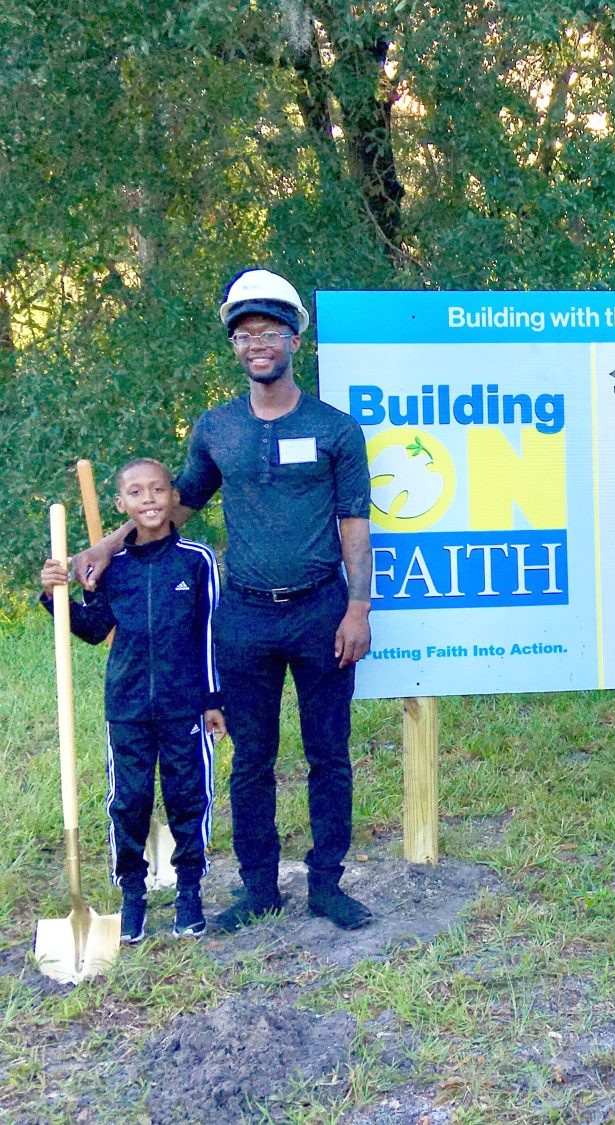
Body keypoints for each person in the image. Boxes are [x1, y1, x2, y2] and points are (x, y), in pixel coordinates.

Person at [76, 268, 375, 932]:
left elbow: (354, 524)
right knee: (253, 757)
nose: (255, 343)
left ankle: (326, 884)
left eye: (268, 330)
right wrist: (109, 544)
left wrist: (359, 608)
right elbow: (176, 504)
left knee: (329, 752)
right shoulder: (217, 428)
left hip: (322, 610)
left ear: (295, 337)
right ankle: (260, 887)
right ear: (234, 346)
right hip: (242, 617)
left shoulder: (336, 429)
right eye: (243, 333)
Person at [40, 459, 224, 941]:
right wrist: (53, 596)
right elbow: (94, 628)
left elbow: (209, 635)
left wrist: (212, 699)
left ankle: (189, 890)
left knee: (188, 796)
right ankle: (133, 895)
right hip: (126, 706)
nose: (149, 500)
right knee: (130, 800)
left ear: (173, 498)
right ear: (121, 504)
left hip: (184, 704)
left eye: (158, 490)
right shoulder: (111, 568)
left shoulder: (196, 560)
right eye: (137, 493)